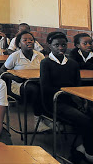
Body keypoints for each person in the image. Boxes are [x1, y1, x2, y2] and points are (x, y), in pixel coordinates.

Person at [40, 32, 93, 163]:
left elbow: (78, 86)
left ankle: (80, 148)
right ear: (49, 46)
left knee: (90, 115)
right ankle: (89, 152)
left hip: (74, 100)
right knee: (85, 121)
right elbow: (46, 88)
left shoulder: (73, 64)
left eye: (63, 45)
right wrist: (70, 94)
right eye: (56, 45)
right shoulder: (46, 63)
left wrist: (83, 100)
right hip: (55, 101)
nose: (61, 48)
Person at [0, 31, 47, 131]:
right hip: (19, 85)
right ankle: (37, 120)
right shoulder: (15, 56)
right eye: (25, 40)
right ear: (19, 44)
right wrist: (14, 77)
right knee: (35, 90)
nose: (29, 42)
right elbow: (2, 70)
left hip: (37, 82)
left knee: (47, 89)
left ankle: (47, 118)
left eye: (31, 40)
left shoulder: (39, 56)